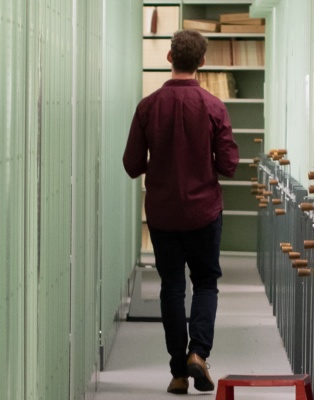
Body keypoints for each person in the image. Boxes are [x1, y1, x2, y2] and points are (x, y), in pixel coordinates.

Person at [120, 29, 238, 395]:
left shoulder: (148, 106)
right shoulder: (214, 107)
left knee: (171, 287)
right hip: (204, 211)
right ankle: (198, 353)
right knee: (205, 283)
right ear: (202, 62)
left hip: (163, 213)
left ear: (169, 58)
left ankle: (177, 372)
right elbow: (230, 164)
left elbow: (132, 164)